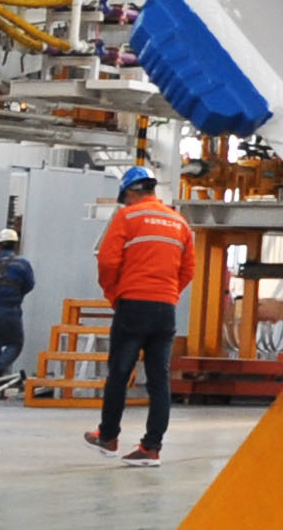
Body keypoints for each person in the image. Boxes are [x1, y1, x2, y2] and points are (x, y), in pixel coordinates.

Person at [86, 165, 195, 464]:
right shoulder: (179, 222)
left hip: (133, 304)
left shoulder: (128, 217)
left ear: (130, 192)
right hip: (165, 308)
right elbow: (188, 270)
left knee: (119, 374)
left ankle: (108, 437)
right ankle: (151, 448)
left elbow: (107, 262)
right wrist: (168, 293)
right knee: (160, 379)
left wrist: (114, 294)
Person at [0, 229, 35, 390]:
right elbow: (29, 285)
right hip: (10, 309)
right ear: (15, 246)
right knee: (15, 343)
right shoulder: (23, 264)